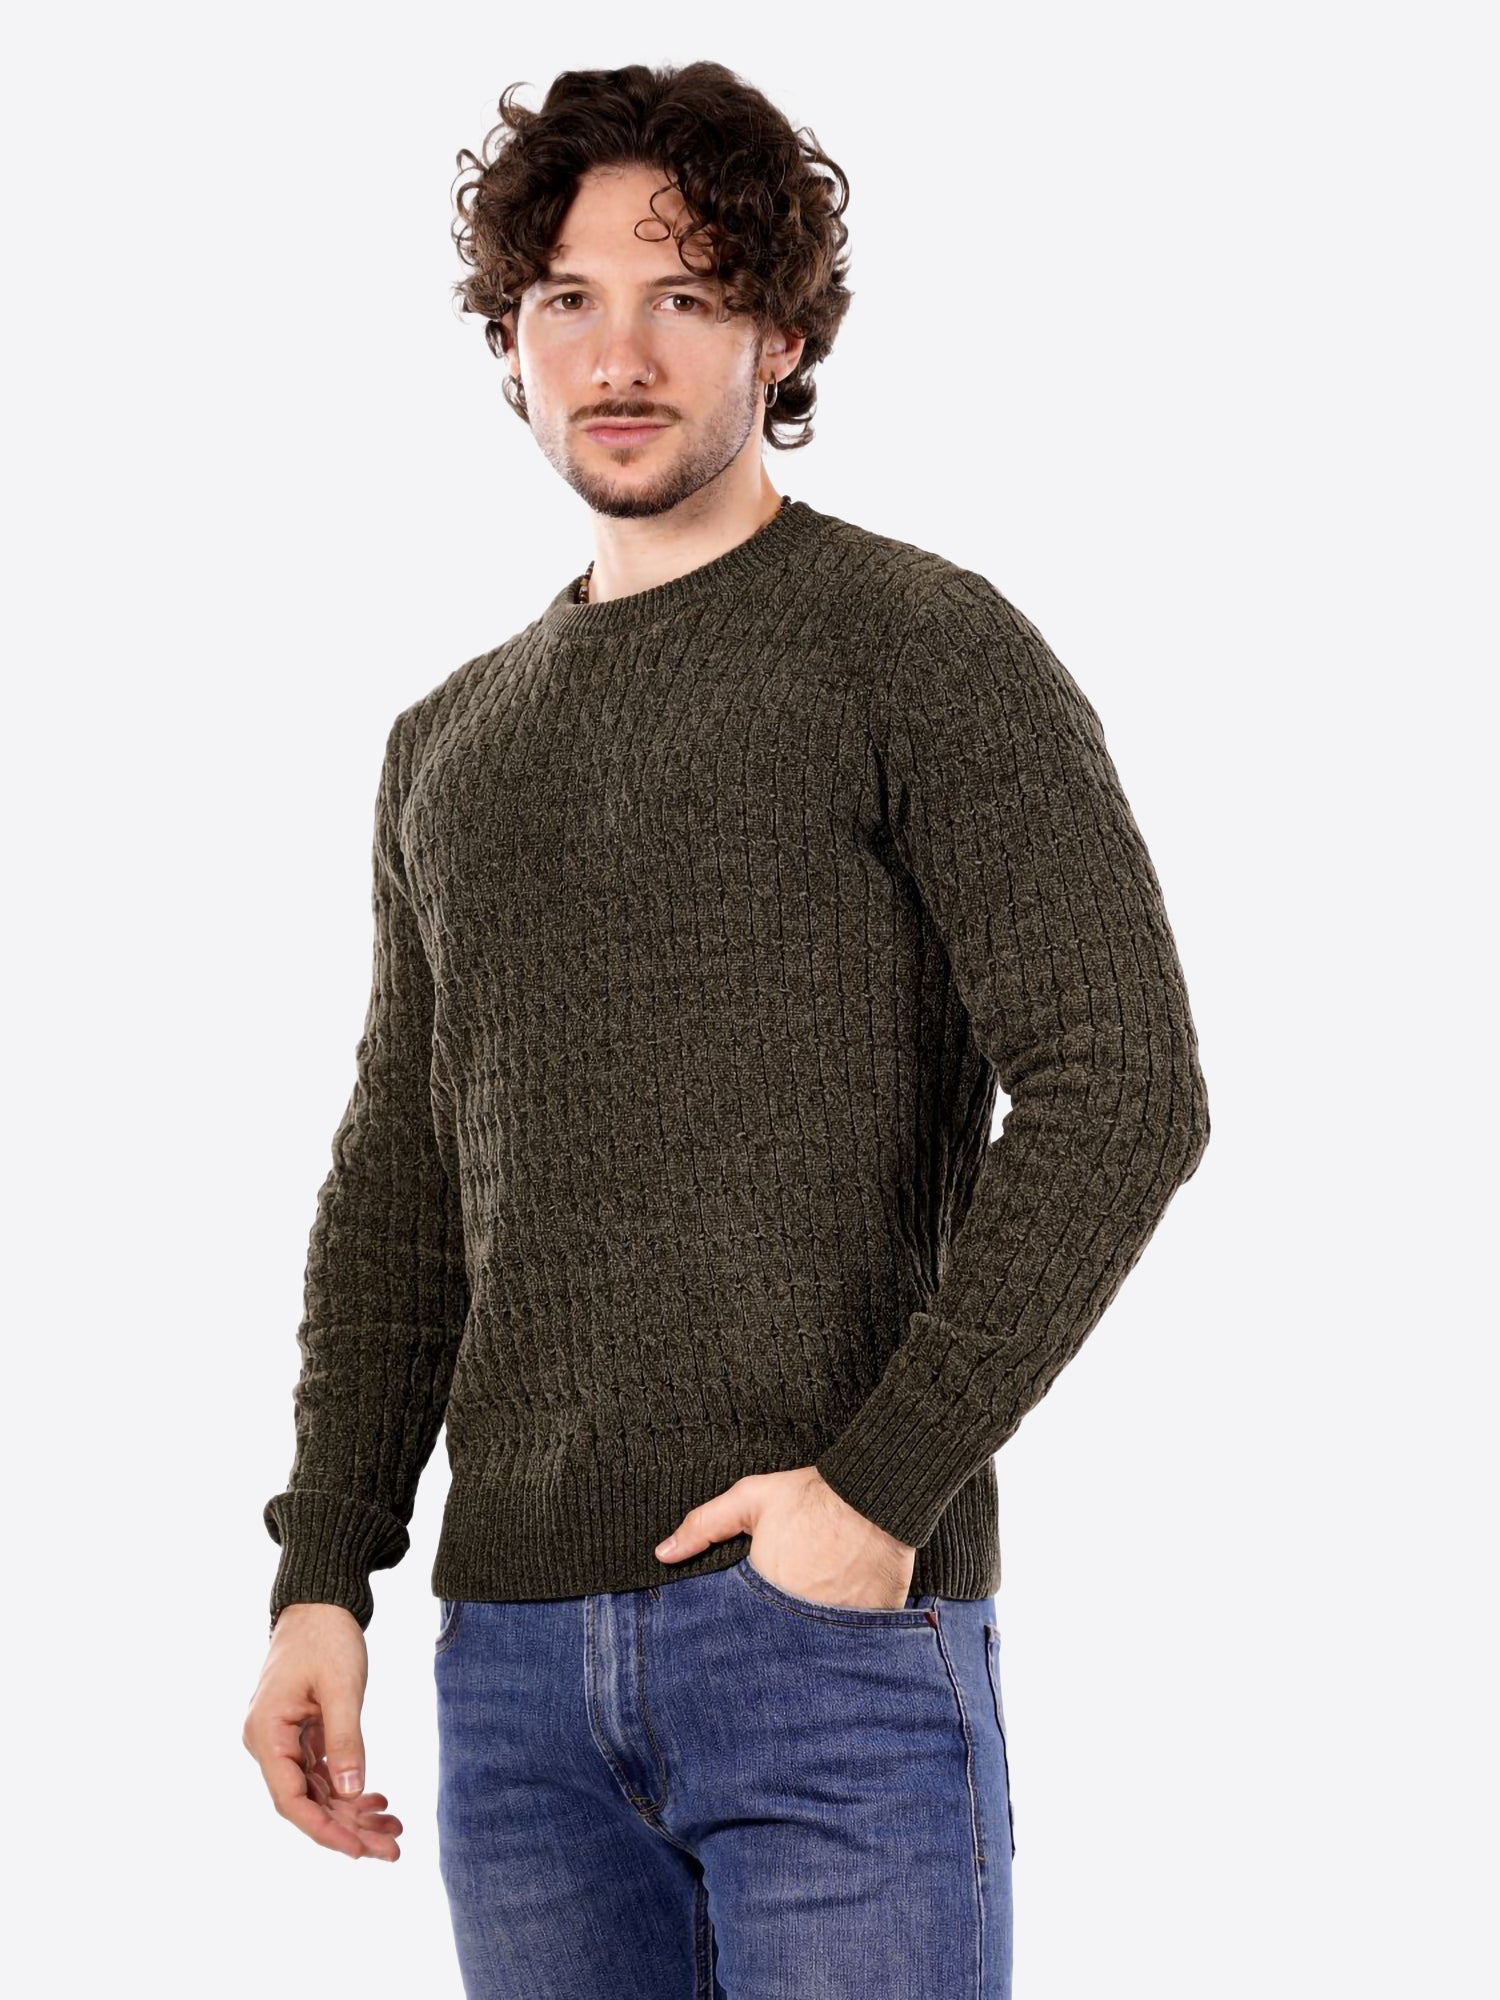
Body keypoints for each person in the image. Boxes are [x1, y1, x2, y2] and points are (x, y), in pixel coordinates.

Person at [243, 60, 1210, 2000]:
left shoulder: (917, 644)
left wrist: (878, 1495)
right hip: (514, 1682)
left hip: (827, 1650)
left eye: (684, 295)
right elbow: (402, 1195)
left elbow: (1124, 1086)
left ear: (780, 335)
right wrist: (321, 1574)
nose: (620, 355)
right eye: (569, 299)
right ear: (510, 344)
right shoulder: (446, 747)